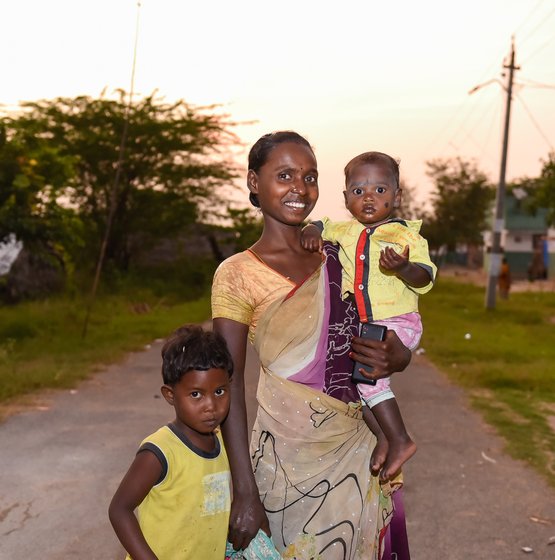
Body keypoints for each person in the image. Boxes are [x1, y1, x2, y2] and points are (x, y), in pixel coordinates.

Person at [212, 132, 413, 560]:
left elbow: (381, 332)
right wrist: (244, 490)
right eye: (284, 175)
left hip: (356, 456)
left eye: (310, 177)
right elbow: (226, 384)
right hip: (280, 466)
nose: (299, 189)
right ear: (253, 181)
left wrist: (400, 357)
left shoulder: (340, 253)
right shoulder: (236, 274)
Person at [301, 151, 436, 480]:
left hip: (397, 323)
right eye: (358, 191)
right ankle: (384, 438)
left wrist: (404, 268)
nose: (369, 198)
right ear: (346, 199)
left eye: (379, 190)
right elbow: (321, 224)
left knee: (371, 385)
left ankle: (399, 439)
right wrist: (310, 228)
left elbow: (426, 276)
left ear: (397, 196)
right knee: (358, 385)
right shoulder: (345, 231)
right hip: (366, 326)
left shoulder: (406, 237)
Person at [109, 325, 233, 560]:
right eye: (196, 394)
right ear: (170, 395)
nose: (211, 406)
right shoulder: (159, 453)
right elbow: (119, 510)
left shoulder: (223, 446)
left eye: (219, 392)